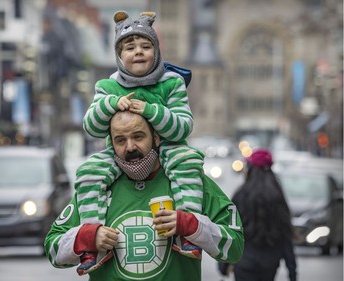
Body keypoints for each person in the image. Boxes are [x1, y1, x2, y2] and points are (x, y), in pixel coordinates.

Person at [75, 10, 205, 274]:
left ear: (156, 51)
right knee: (88, 172)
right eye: (130, 47)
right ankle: (91, 241)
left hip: (167, 148)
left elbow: (182, 128)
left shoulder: (172, 83)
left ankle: (188, 231)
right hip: (117, 153)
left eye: (146, 46)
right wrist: (111, 105)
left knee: (187, 163)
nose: (138, 52)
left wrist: (150, 111)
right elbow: (92, 126)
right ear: (119, 56)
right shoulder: (107, 87)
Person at [45, 110, 244, 281]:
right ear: (111, 144)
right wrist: (87, 237)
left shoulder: (189, 182)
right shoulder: (96, 188)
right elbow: (53, 251)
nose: (130, 147)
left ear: (156, 137)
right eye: (120, 140)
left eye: (138, 136)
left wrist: (191, 226)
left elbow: (234, 247)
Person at [218, 149, 297, 281]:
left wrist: (224, 265)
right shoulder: (277, 196)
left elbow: (231, 231)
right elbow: (286, 235)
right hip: (270, 264)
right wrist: (292, 271)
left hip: (243, 263)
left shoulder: (241, 194)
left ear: (250, 169)